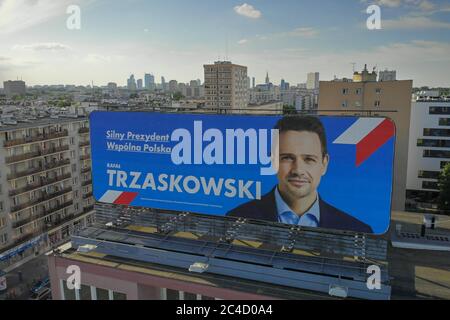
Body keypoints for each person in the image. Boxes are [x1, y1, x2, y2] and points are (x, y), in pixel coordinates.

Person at [227, 116, 373, 233]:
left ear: (324, 164)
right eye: (287, 158)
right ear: (272, 161)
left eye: (309, 159)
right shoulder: (237, 217)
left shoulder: (357, 230)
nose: (298, 170)